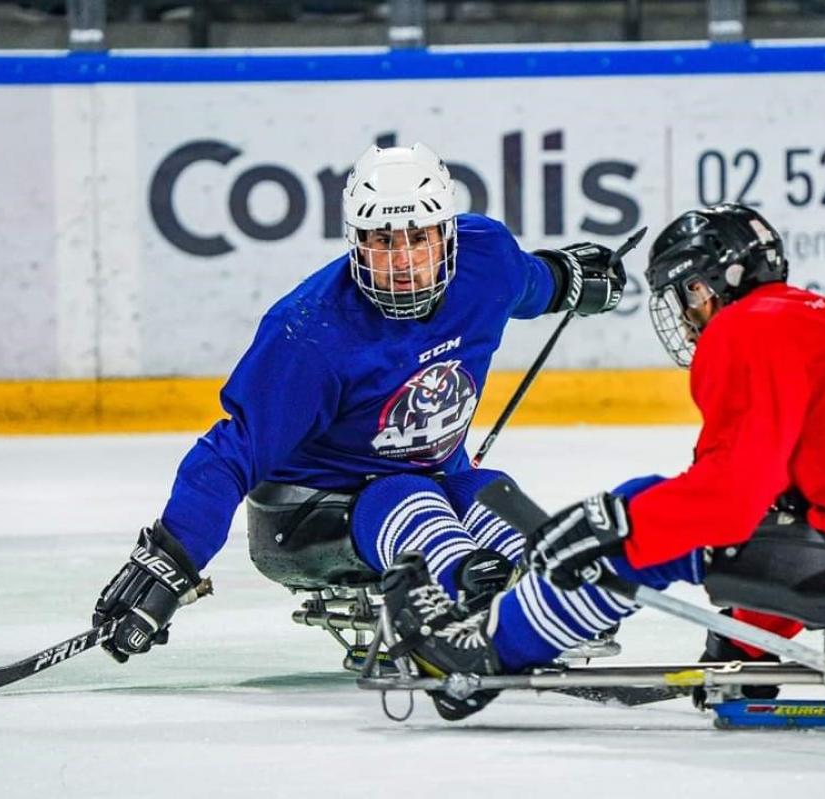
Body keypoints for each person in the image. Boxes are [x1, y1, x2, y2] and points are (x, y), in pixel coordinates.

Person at [381, 202, 825, 719]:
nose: (684, 313)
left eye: (684, 294)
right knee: (655, 514)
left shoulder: (747, 331)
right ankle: (745, 653)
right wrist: (745, 648)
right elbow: (782, 502)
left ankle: (482, 651)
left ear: (705, 286)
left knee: (641, 524)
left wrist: (611, 522)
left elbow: (729, 500)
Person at [88, 142, 630, 710]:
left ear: (447, 234)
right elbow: (232, 451)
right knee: (410, 492)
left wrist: (571, 280)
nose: (401, 260)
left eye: (418, 238)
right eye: (381, 242)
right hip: (306, 514)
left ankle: (548, 594)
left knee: (487, 491)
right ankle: (464, 605)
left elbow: (529, 282)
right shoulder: (312, 330)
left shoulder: (485, 259)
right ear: (356, 241)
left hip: (437, 480)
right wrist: (171, 559)